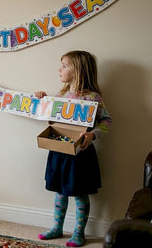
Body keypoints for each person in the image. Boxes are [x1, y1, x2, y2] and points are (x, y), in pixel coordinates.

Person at [34, 50, 112, 247]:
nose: (59, 69)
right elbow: (53, 120)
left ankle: (79, 232)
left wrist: (93, 134)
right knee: (59, 192)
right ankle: (57, 227)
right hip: (59, 151)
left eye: (64, 65)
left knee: (79, 194)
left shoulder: (93, 98)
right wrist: (43, 100)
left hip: (80, 154)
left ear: (78, 70)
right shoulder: (62, 95)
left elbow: (106, 120)